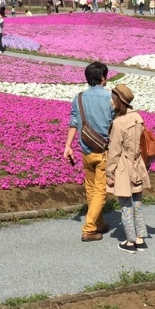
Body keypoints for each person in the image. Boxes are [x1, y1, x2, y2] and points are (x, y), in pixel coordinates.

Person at [64, 61, 114, 241]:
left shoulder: (79, 98)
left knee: (91, 188)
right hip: (104, 151)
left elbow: (73, 123)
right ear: (103, 77)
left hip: (86, 150)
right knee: (100, 190)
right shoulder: (111, 98)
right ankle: (90, 228)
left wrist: (68, 146)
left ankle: (99, 222)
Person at [105, 83, 151, 252]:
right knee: (137, 203)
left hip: (123, 166)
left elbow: (114, 151)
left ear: (119, 100)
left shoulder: (119, 122)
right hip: (138, 164)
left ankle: (130, 242)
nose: (111, 101)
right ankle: (140, 238)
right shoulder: (138, 118)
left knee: (125, 205)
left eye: (113, 98)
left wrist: (109, 172)